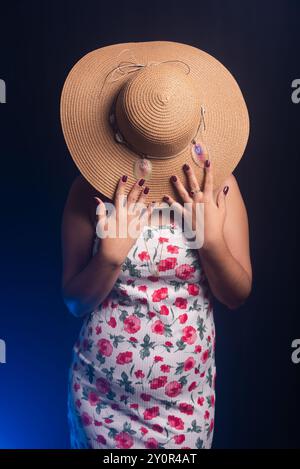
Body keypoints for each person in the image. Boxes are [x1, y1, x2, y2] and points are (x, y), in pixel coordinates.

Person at [60, 40, 252, 448]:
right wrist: (110, 257)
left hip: (186, 408)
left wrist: (212, 240)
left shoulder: (220, 188)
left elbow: (236, 294)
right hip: (101, 404)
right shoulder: (88, 190)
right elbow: (75, 302)